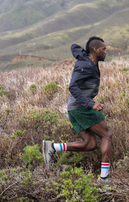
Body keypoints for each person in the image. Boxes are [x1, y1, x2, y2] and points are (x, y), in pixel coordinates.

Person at [42, 36, 112, 183]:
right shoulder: (85, 65)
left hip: (74, 108)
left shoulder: (89, 63)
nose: (105, 52)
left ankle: (53, 147)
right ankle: (104, 179)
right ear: (95, 49)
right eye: (104, 49)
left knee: (90, 144)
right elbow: (72, 86)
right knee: (106, 136)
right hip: (81, 107)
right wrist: (90, 104)